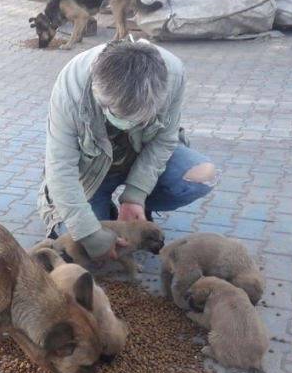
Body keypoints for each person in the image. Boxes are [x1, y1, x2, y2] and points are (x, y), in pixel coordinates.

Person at [36, 37, 218, 261]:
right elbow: (60, 169)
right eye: (120, 118)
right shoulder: (71, 88)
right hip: (92, 175)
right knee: (80, 245)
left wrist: (136, 194)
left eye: (139, 121)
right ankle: (103, 211)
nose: (129, 126)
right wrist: (90, 234)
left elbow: (165, 139)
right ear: (98, 94)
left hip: (138, 160)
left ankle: (138, 210)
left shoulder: (173, 73)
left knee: (202, 175)